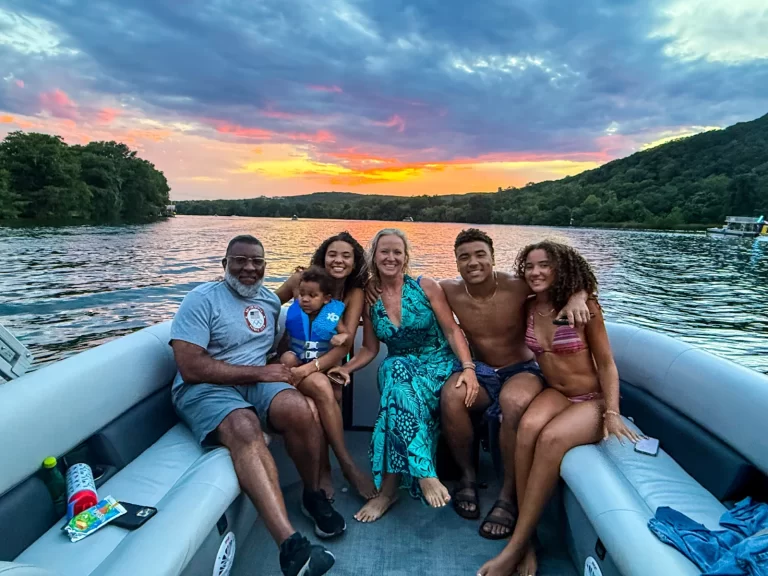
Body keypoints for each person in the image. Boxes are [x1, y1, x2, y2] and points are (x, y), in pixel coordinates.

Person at [368, 228, 590, 539]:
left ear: (493, 257)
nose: (473, 262)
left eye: (480, 255)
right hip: (483, 371)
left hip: (520, 370)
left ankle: (508, 497)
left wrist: (580, 294)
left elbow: (558, 280)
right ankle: (467, 479)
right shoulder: (447, 290)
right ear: (456, 263)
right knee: (452, 397)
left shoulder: (517, 286)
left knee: (513, 403)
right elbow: (403, 296)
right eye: (464, 257)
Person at [170, 235, 345, 576]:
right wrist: (260, 372)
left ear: (265, 266)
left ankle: (312, 495)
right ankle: (291, 548)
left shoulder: (268, 302)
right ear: (225, 265)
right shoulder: (201, 299)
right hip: (204, 387)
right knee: (244, 426)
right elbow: (189, 367)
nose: (249, 268)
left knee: (300, 409)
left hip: (256, 383)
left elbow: (280, 344)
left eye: (257, 262)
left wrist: (324, 359)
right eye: (240, 260)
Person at [477, 240, 641, 576]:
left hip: (592, 398)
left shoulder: (585, 308)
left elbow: (607, 364)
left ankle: (516, 547)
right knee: (525, 430)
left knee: (550, 439)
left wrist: (611, 411)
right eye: (530, 266)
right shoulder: (528, 307)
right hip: (556, 392)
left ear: (561, 269)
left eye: (545, 265)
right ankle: (530, 538)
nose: (535, 272)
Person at [329, 229, 481, 523]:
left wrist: (468, 367)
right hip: (402, 366)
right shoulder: (371, 298)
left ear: (406, 257)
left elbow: (451, 329)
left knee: (395, 392)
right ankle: (423, 472)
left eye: (397, 252)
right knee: (395, 374)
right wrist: (346, 369)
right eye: (384, 251)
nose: (391, 257)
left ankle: (389, 491)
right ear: (374, 256)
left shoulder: (425, 286)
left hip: (438, 364)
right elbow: (371, 349)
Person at [275, 232, 376, 499]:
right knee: (324, 387)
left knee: (332, 389)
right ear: (323, 256)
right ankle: (344, 467)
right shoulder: (302, 281)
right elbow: (269, 303)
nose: (338, 260)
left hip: (324, 362)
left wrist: (311, 368)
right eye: (332, 254)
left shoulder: (354, 293)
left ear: (355, 263)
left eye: (346, 256)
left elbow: (345, 343)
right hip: (293, 360)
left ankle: (327, 470)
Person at [279, 266, 350, 370]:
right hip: (297, 358)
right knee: (287, 358)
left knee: (321, 379)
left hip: (319, 363)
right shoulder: (296, 313)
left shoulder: (331, 315)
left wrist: (342, 337)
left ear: (326, 299)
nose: (305, 299)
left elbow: (346, 334)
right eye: (302, 294)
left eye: (312, 296)